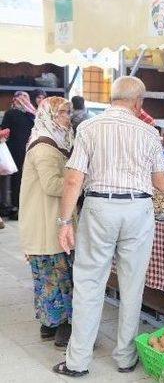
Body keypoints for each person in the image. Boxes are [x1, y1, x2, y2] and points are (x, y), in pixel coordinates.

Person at [52, 76, 164, 377]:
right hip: (138, 210)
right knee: (132, 285)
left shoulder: (88, 127)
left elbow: (73, 179)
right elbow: (161, 183)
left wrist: (65, 221)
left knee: (89, 283)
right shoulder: (149, 133)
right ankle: (125, 357)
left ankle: (77, 362)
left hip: (99, 207)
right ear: (138, 103)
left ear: (111, 97)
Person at [19, 97, 75, 349]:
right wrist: (80, 183)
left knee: (48, 276)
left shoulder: (53, 141)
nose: (67, 117)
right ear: (49, 116)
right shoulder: (45, 146)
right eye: (62, 113)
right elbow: (52, 185)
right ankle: (61, 326)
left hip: (46, 221)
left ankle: (49, 324)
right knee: (57, 277)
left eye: (68, 112)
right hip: (46, 225)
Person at [0, 90, 36, 219]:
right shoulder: (12, 113)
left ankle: (23, 207)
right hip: (16, 151)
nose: (23, 99)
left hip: (30, 151)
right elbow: (4, 130)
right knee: (17, 180)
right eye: (20, 97)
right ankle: (16, 207)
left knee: (26, 179)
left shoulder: (32, 114)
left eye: (26, 97)